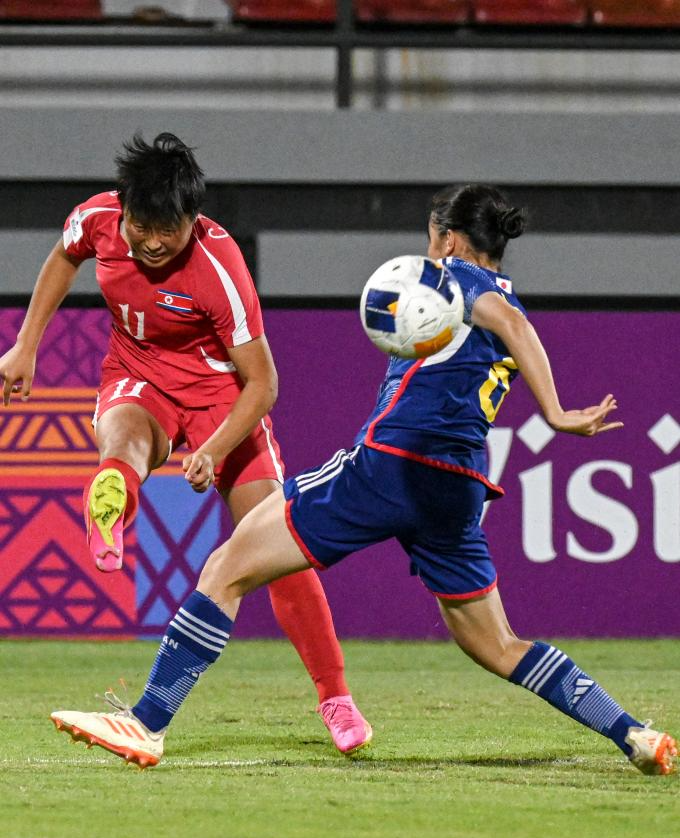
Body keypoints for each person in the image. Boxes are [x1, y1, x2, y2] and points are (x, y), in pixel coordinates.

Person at [50, 183, 677, 776]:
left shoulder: (455, 277)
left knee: (227, 567)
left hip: (390, 466)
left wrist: (557, 413)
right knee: (498, 644)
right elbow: (513, 324)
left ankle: (147, 722)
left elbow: (509, 322)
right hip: (457, 488)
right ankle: (632, 734)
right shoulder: (498, 296)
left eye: (431, 238)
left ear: (449, 239)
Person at [0, 131, 371, 755]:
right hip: (137, 372)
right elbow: (64, 257)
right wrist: (25, 345)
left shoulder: (219, 267)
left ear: (193, 221)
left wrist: (215, 448)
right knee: (122, 442)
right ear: (122, 208)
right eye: (140, 226)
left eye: (166, 231)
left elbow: (263, 383)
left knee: (274, 542)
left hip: (220, 393)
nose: (150, 242)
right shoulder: (98, 218)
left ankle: (335, 696)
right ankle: (112, 496)